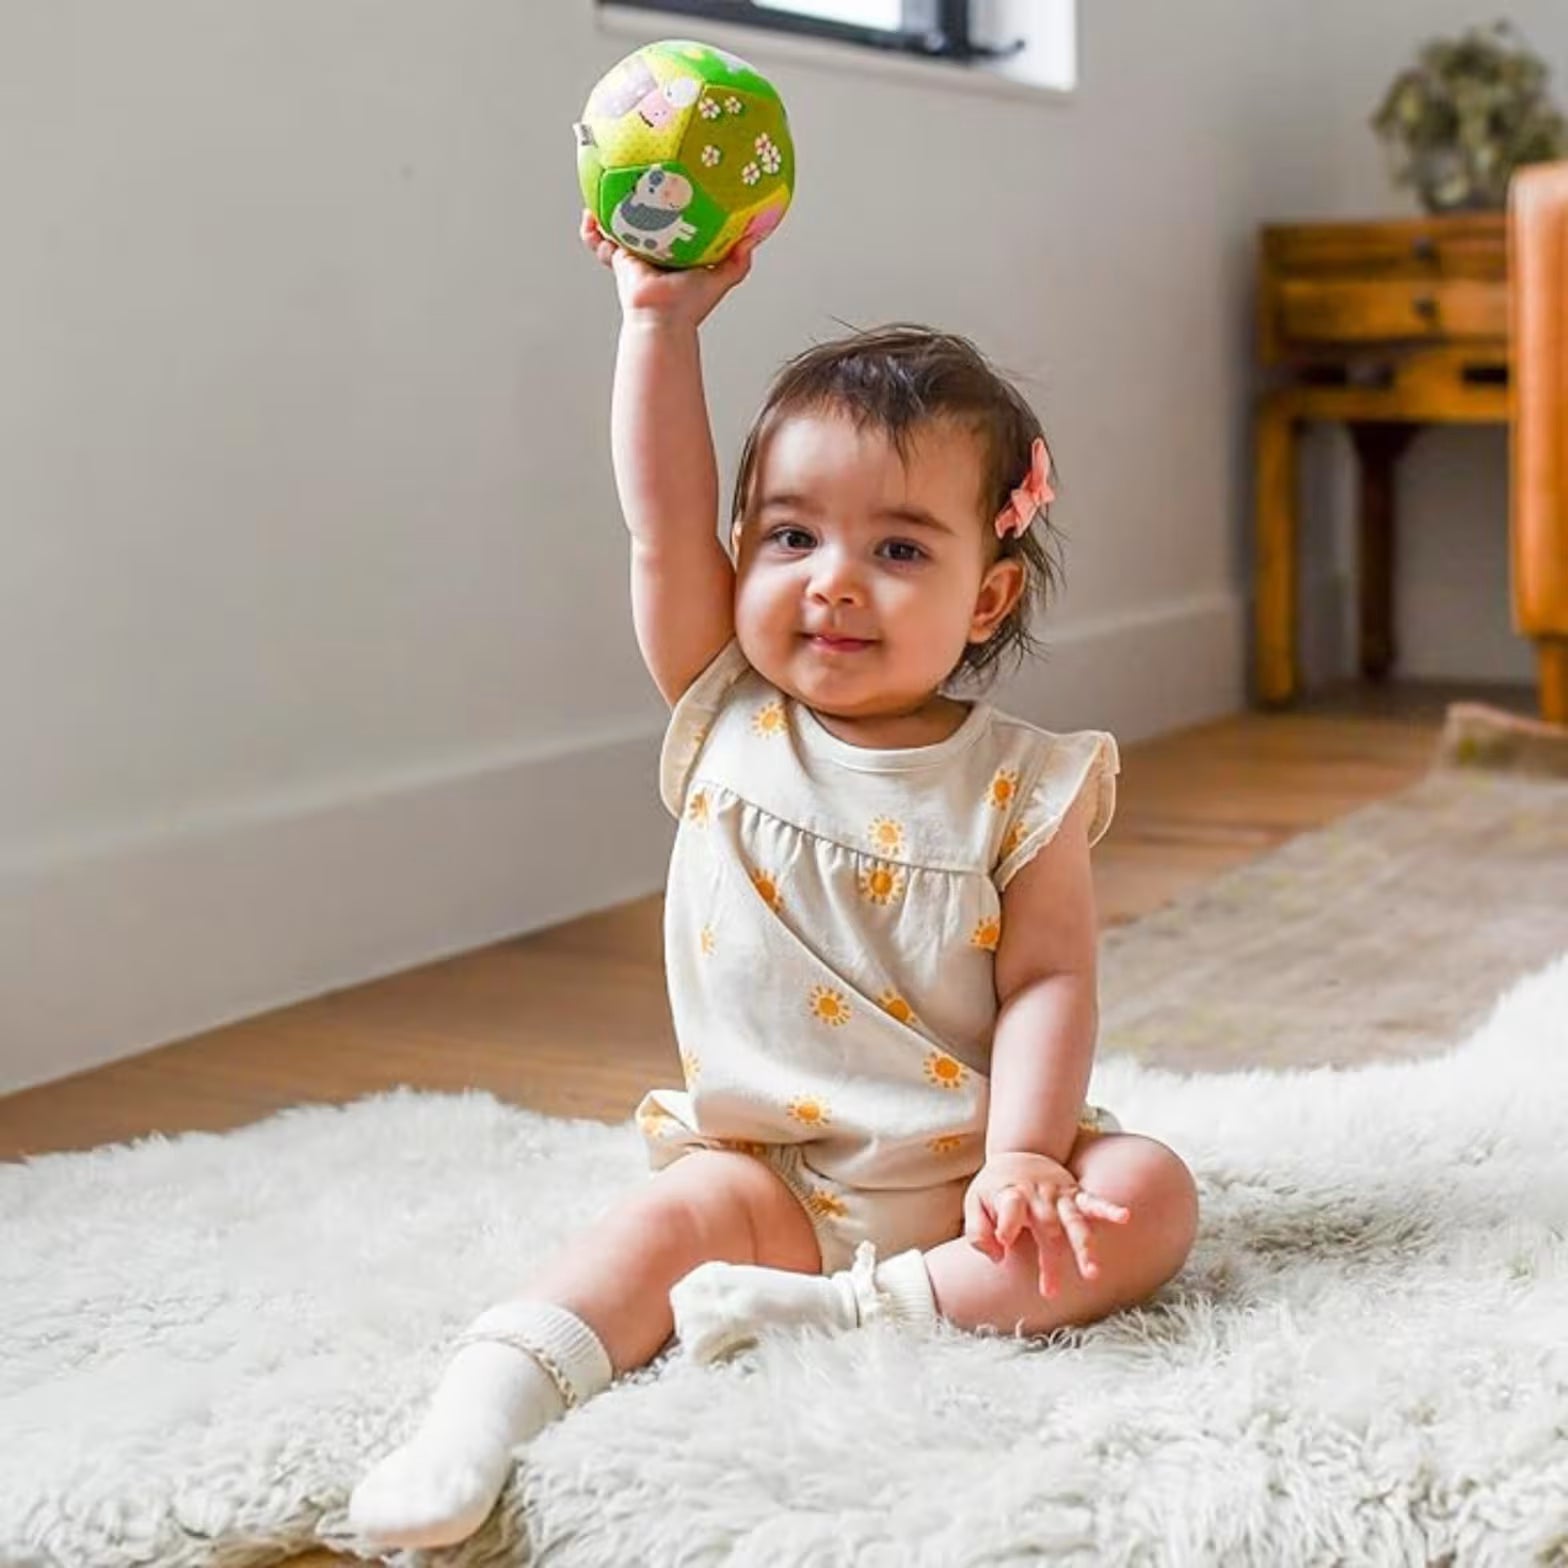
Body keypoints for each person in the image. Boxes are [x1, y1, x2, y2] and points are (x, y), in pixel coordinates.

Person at [347, 215, 1200, 1550]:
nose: (833, 585)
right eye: (791, 537)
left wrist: (1030, 1157)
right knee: (654, 1232)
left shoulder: (1023, 783)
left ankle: (868, 1314)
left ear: (988, 599)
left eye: (901, 550)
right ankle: (482, 1405)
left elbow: (1048, 980)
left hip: (975, 1176)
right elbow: (660, 517)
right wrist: (660, 324)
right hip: (776, 1180)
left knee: (1148, 1196)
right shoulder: (726, 710)